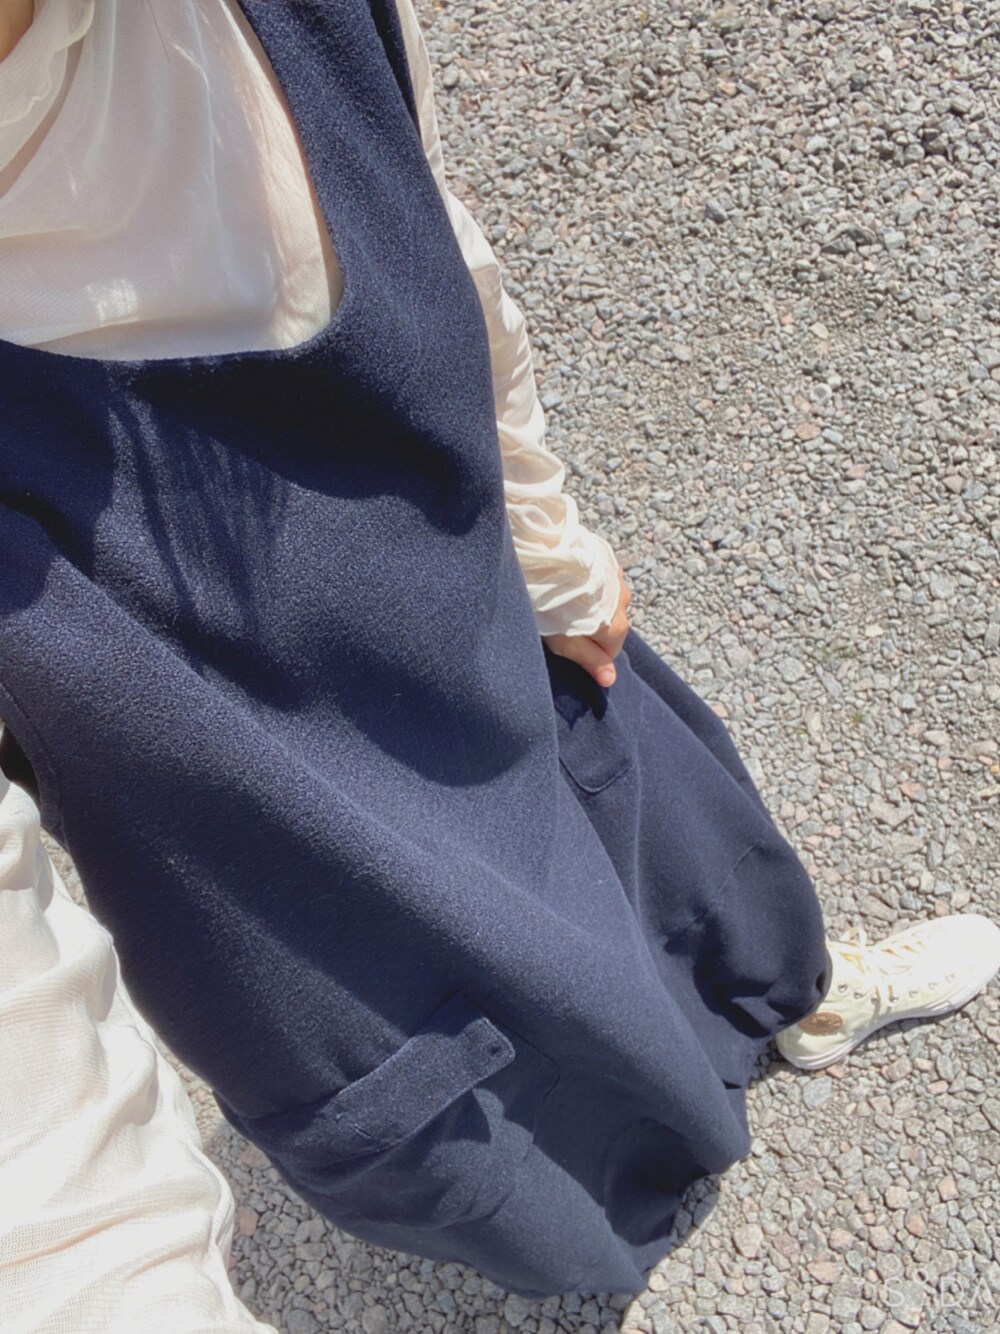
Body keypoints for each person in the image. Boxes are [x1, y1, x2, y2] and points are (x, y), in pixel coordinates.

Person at [1, 0, 998, 1325]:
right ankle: (622, 1222)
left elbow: (434, 246)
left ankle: (790, 1005)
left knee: (670, 841)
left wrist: (548, 543)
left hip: (466, 602)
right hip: (245, 800)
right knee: (498, 1083)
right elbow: (48, 1189)